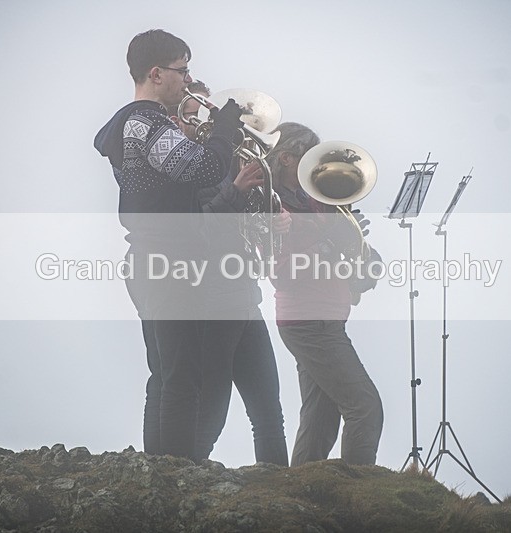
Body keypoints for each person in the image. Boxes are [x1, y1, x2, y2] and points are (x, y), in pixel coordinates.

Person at [93, 29, 244, 461]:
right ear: (156, 73)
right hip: (169, 260)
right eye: (183, 70)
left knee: (164, 373)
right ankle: (175, 478)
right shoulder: (146, 121)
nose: (188, 79)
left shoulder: (132, 123)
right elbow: (202, 168)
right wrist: (225, 133)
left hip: (149, 259)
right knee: (181, 377)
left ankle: (158, 476)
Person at [167, 81, 289, 465]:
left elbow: (248, 230)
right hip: (212, 303)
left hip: (244, 299)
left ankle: (280, 497)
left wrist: (274, 220)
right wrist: (234, 191)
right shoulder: (186, 176)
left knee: (269, 410)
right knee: (211, 414)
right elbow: (201, 233)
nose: (193, 124)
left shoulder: (230, 162)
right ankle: (181, 485)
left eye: (195, 118)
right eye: (188, 119)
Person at [267, 122, 384, 466]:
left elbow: (337, 256)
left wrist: (362, 251)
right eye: (308, 156)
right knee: (365, 408)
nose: (317, 167)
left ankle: (299, 499)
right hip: (309, 321)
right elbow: (283, 274)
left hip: (322, 319)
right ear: (287, 159)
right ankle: (359, 499)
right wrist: (335, 240)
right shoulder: (276, 206)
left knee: (320, 420)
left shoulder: (315, 200)